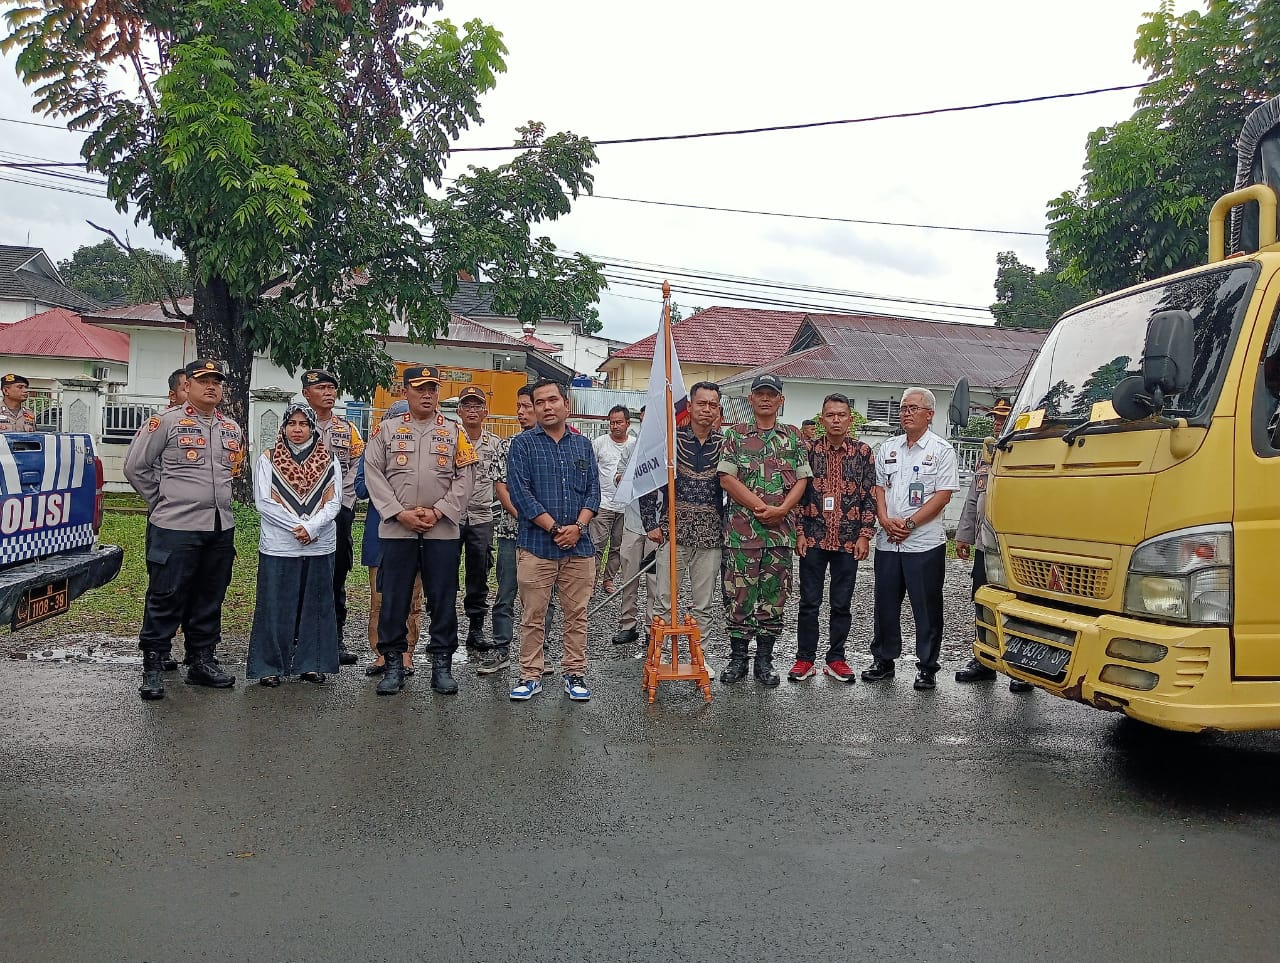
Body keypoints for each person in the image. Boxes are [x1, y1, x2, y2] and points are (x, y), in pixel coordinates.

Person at [123, 359, 244, 700]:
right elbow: (136, 467)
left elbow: (231, 473)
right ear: (187, 385)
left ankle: (202, 659)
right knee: (166, 594)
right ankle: (154, 662)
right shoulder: (166, 422)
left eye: (217, 381)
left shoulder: (231, 428)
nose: (211, 386)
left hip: (220, 526)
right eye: (204, 380)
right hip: (176, 526)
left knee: (210, 595)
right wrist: (162, 500)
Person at [363, 365, 477, 696]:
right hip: (398, 530)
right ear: (405, 392)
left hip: (441, 530)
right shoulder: (386, 430)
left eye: (432, 389)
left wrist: (439, 510)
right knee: (394, 598)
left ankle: (442, 664)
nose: (427, 394)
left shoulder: (455, 432)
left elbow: (465, 477)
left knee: (442, 598)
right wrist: (399, 513)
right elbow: (373, 474)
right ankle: (394, 664)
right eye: (419, 389)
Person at [505, 379, 600, 702]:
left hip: (580, 546)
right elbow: (521, 494)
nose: (546, 407)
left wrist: (578, 527)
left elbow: (594, 492)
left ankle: (575, 673)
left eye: (552, 400)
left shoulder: (583, 445)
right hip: (537, 545)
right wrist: (556, 529)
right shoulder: (522, 445)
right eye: (539, 402)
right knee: (533, 614)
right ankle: (530, 674)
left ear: (566, 405)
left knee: (577, 615)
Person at [863, 387, 961, 691]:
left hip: (924, 544)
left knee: (927, 607)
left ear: (929, 414)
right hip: (888, 541)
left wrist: (909, 522)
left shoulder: (941, 450)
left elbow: (943, 495)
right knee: (885, 604)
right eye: (904, 408)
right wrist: (883, 518)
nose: (906, 413)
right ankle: (883, 660)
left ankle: (927, 667)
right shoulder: (888, 448)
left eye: (913, 408)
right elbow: (879, 488)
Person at [718, 373, 812, 686]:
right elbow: (727, 479)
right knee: (739, 598)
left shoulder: (793, 436)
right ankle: (737, 659)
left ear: (780, 400)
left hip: (779, 534)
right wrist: (761, 507)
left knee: (773, 598)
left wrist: (783, 510)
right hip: (742, 534)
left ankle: (765, 661)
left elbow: (802, 479)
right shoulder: (736, 435)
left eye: (772, 394)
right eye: (760, 393)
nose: (766, 399)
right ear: (751, 399)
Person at [247, 403, 343, 685]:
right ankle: (269, 667)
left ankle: (311, 664)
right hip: (280, 544)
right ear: (284, 427)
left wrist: (312, 528)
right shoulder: (268, 459)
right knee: (275, 605)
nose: (297, 430)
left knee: (316, 605)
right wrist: (297, 527)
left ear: (312, 427)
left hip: (319, 543)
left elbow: (334, 501)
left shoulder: (329, 459)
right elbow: (264, 502)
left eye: (303, 424)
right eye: (292, 424)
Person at [789, 393, 876, 683]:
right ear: (822, 418)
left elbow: (869, 496)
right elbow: (799, 496)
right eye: (830, 415)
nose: (836, 420)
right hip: (813, 539)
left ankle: (836, 658)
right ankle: (805, 659)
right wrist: (799, 531)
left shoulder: (863, 452)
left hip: (848, 542)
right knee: (808, 603)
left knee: (841, 603)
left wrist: (864, 536)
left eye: (841, 415)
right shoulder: (808, 450)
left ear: (850, 419)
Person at [953, 398, 1032, 693]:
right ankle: (984, 660)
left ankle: (1023, 666)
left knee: (1019, 605)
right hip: (986, 545)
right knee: (982, 599)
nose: (998, 423)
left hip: (1016, 548)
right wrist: (964, 534)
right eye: (996, 419)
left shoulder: (1028, 452)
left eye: (1003, 418)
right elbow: (974, 497)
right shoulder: (987, 454)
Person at [641, 381, 725, 641]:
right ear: (689, 406)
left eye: (713, 405)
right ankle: (662, 655)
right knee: (664, 600)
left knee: (703, 603)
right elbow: (649, 482)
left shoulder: (726, 444)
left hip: (711, 534)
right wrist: (650, 524)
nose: (707, 410)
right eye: (701, 403)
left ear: (718, 410)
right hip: (673, 530)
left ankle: (701, 658)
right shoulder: (670, 441)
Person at [300, 369, 365, 667]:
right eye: (321, 387)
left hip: (337, 514)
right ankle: (296, 639)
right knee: (300, 575)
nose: (328, 392)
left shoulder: (347, 429)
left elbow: (356, 467)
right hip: (302, 514)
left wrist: (342, 502)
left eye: (331, 388)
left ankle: (333, 638)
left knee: (335, 575)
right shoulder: (295, 426)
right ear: (306, 394)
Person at [354, 401, 424, 677]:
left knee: (412, 599)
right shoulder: (372, 451)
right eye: (395, 421)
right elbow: (360, 487)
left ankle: (407, 652)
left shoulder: (422, 453)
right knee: (380, 600)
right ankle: (382, 653)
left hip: (414, 535)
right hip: (380, 534)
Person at [494, 385, 557, 675]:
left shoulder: (556, 445)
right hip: (512, 533)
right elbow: (502, 489)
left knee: (543, 599)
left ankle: (537, 654)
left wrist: (544, 522)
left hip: (546, 537)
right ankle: (502, 649)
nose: (521, 412)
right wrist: (529, 516)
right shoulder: (507, 445)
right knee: (505, 593)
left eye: (526, 406)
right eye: (518, 407)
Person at [456, 385, 510, 672]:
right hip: (450, 516)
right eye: (468, 406)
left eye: (478, 406)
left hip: (481, 516)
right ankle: (444, 630)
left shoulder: (496, 444)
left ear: (485, 412)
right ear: (459, 411)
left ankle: (475, 629)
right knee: (443, 575)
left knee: (478, 575)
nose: (473, 411)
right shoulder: (450, 438)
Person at [590, 405, 635, 594]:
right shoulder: (599, 443)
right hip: (603, 503)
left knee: (617, 547)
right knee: (596, 545)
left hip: (626, 506)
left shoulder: (634, 444)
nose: (615, 426)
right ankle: (591, 582)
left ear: (627, 423)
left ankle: (608, 580)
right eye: (612, 422)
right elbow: (590, 471)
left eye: (619, 422)